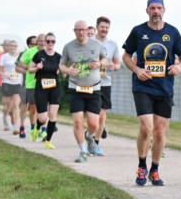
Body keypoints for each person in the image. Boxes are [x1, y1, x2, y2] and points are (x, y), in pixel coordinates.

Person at [122, 0, 181, 186]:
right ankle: (142, 166)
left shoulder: (172, 32)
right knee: (146, 127)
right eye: (152, 8)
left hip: (165, 88)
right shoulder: (138, 31)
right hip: (142, 86)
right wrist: (137, 70)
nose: (156, 11)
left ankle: (155, 169)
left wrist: (179, 67)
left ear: (164, 10)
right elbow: (126, 55)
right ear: (147, 11)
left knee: (159, 132)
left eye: (159, 8)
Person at [61, 21, 107, 163]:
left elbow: (105, 59)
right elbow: (61, 65)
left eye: (83, 30)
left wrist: (99, 64)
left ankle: (89, 137)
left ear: (87, 30)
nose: (81, 32)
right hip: (76, 87)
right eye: (78, 30)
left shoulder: (97, 45)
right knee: (77, 122)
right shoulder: (68, 47)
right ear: (74, 31)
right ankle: (83, 151)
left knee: (94, 124)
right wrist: (68, 70)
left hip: (94, 87)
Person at [94, 16, 122, 153]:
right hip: (89, 82)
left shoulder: (112, 44)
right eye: (102, 27)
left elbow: (118, 64)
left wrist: (114, 66)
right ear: (97, 27)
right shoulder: (89, 42)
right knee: (91, 115)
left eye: (106, 27)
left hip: (105, 82)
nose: (104, 29)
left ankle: (96, 143)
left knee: (102, 115)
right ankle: (92, 132)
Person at [31, 33, 63, 149]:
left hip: (54, 87)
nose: (50, 43)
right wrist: (36, 67)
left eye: (52, 41)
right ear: (44, 42)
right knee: (43, 118)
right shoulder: (39, 55)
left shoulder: (59, 57)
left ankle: (48, 141)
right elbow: (29, 69)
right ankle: (37, 128)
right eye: (48, 41)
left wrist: (63, 72)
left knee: (53, 115)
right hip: (41, 88)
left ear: (55, 42)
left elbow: (62, 70)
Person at [18, 32, 46, 141]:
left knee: (44, 108)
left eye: (45, 41)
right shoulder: (29, 52)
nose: (43, 43)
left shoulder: (48, 52)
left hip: (45, 84)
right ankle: (33, 127)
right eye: (40, 41)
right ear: (37, 42)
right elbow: (20, 64)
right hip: (31, 84)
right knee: (33, 109)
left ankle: (43, 130)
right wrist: (31, 67)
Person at [0, 40, 25, 137]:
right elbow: (0, 70)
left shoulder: (21, 57)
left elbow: (24, 68)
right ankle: (5, 120)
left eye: (15, 46)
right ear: (8, 47)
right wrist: (4, 75)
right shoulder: (4, 57)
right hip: (7, 82)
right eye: (11, 46)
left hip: (17, 82)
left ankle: (15, 127)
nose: (13, 47)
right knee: (7, 106)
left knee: (16, 105)